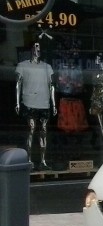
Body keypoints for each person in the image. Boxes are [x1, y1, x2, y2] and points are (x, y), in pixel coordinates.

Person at [15, 42, 56, 170]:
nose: (37, 49)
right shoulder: (22, 65)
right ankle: (29, 160)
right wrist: (17, 102)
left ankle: (42, 161)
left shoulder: (47, 67)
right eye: (35, 47)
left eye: (39, 47)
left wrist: (53, 104)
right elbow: (18, 84)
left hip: (44, 103)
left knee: (43, 132)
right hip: (29, 103)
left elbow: (52, 86)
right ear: (31, 49)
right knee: (31, 130)